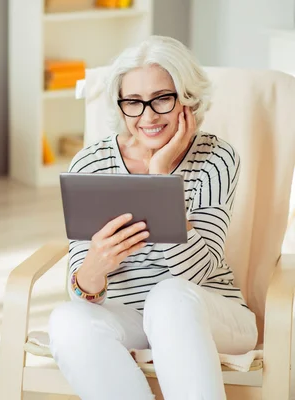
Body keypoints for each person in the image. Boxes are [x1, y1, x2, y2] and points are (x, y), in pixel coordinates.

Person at [48, 36, 257, 400]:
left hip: (212, 314)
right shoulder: (91, 164)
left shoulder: (217, 157)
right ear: (121, 105)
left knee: (170, 297)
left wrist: (162, 181)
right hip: (131, 318)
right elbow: (82, 293)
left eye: (162, 98)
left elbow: (193, 275)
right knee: (66, 320)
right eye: (133, 102)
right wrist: (96, 265)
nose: (147, 116)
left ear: (187, 99)